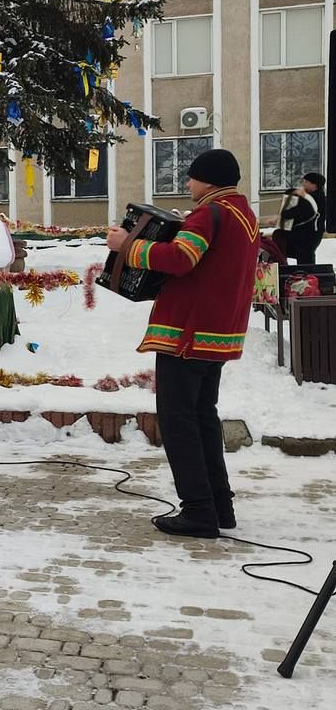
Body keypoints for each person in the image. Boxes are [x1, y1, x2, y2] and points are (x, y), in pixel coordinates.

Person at [106, 149, 259, 539]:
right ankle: (219, 506)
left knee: (178, 422)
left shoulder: (209, 213)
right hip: (217, 335)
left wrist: (127, 246)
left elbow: (180, 258)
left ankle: (198, 511)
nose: (188, 184)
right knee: (202, 417)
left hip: (187, 335)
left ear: (207, 180)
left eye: (191, 177)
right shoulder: (243, 214)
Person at [278, 173, 326, 265]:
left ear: (314, 184)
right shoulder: (316, 196)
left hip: (307, 235)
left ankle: (283, 266)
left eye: (306, 182)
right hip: (308, 234)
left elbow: (294, 213)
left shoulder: (314, 198)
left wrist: (285, 211)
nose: (303, 184)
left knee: (304, 259)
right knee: (305, 257)